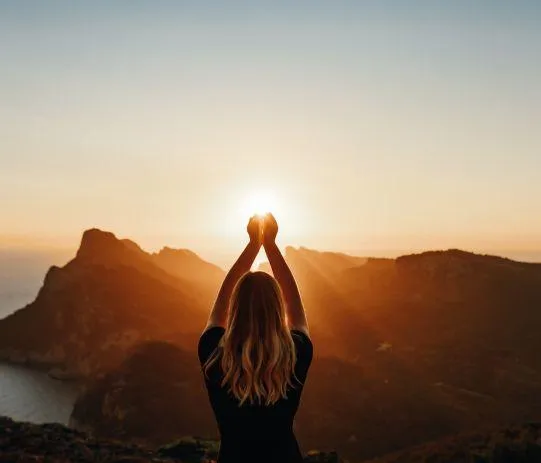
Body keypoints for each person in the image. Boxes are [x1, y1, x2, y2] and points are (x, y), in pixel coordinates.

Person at [198, 213, 313, 463]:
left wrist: (252, 245)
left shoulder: (214, 354)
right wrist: (270, 245)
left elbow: (219, 307)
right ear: (277, 309)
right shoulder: (295, 354)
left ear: (235, 308)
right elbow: (297, 311)